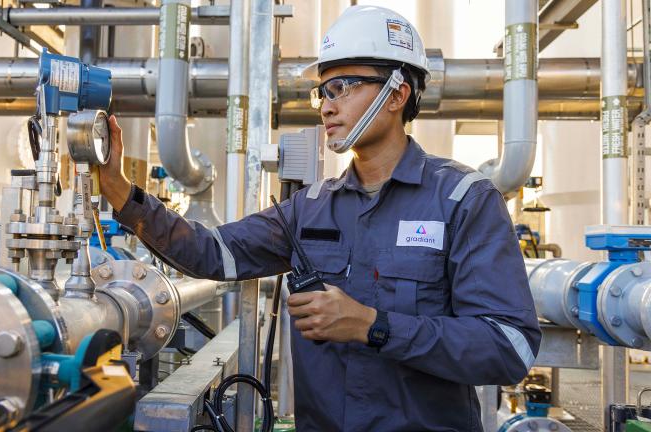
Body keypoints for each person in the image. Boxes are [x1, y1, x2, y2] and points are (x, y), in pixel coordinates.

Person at [99, 5, 541, 431]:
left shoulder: (464, 200)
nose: (326, 107)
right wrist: (121, 192)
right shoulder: (309, 209)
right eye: (322, 92)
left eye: (343, 87)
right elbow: (209, 253)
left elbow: (510, 346)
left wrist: (374, 326)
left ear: (397, 93)